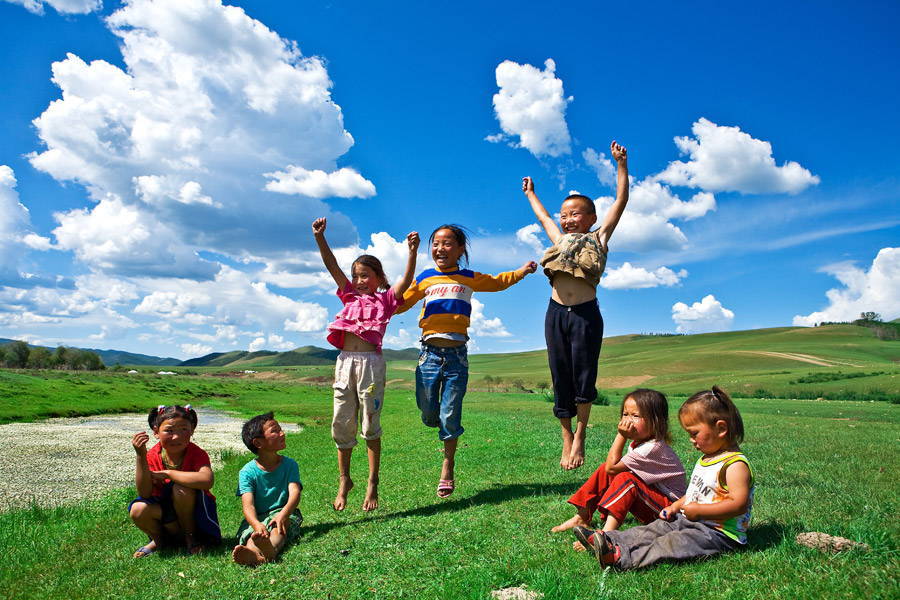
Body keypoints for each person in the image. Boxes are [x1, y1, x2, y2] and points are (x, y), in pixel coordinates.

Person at [396, 224, 537, 498]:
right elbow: (401, 304)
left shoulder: (468, 277)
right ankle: (439, 423)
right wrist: (379, 298)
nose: (440, 249)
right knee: (427, 410)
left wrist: (522, 271)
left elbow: (498, 282)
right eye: (436, 243)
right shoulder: (425, 278)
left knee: (450, 413)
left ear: (460, 249)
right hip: (428, 354)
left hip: (457, 356)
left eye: (447, 243)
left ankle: (447, 466)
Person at [522, 140, 629, 470]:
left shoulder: (599, 238)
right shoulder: (558, 238)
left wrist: (621, 165)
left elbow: (621, 201)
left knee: (584, 376)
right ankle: (566, 436)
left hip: (585, 314)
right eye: (564, 215)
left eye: (575, 214)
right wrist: (530, 194)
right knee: (560, 375)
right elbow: (542, 218)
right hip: (555, 313)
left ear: (591, 217)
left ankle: (581, 435)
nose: (567, 219)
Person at [573, 386, 754, 570]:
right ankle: (607, 540)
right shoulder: (707, 459)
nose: (691, 440)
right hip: (689, 519)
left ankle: (621, 558)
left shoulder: (734, 465)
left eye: (694, 433)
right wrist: (675, 506)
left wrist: (700, 511)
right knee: (653, 529)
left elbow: (739, 504)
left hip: (718, 533)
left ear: (721, 428)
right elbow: (694, 493)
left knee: (670, 542)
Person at [313, 217, 419, 511]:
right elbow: (331, 266)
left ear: (379, 277)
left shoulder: (385, 300)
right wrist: (320, 238)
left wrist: (412, 251)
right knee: (341, 422)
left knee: (370, 423)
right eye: (356, 275)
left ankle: (373, 483)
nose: (360, 281)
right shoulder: (347, 295)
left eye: (366, 275)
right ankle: (344, 479)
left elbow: (406, 281)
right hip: (344, 363)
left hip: (371, 365)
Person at [552, 389, 685, 535]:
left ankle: (607, 535)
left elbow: (612, 467)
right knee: (606, 471)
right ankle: (581, 517)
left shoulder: (651, 448)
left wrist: (621, 435)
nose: (627, 421)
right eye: (625, 414)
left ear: (656, 422)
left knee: (625, 478)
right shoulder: (641, 443)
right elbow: (608, 470)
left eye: (635, 416)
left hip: (670, 513)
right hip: (655, 502)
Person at [129, 404, 221, 557]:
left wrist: (169, 474)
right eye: (169, 431)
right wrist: (140, 456)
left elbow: (207, 480)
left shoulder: (197, 453)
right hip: (166, 513)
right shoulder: (152, 455)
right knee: (138, 509)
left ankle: (190, 538)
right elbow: (144, 493)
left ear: (192, 430)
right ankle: (160, 541)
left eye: (183, 429)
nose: (176, 437)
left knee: (181, 489)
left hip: (194, 515)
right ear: (156, 432)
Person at [232, 412, 303, 566]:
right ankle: (255, 553)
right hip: (257, 517)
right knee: (255, 536)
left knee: (278, 530)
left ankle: (269, 552)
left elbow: (295, 493)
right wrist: (257, 524)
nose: (282, 433)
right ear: (258, 443)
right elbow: (248, 505)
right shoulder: (247, 472)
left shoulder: (290, 465)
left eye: (280, 429)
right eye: (275, 431)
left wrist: (283, 515)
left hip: (283, 512)